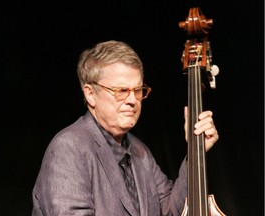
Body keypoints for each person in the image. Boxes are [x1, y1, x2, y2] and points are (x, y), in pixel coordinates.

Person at [31, 40, 219, 216]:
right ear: (90, 94)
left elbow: (170, 210)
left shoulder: (140, 152)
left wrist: (195, 152)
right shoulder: (69, 148)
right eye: (121, 91)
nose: (132, 100)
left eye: (137, 90)